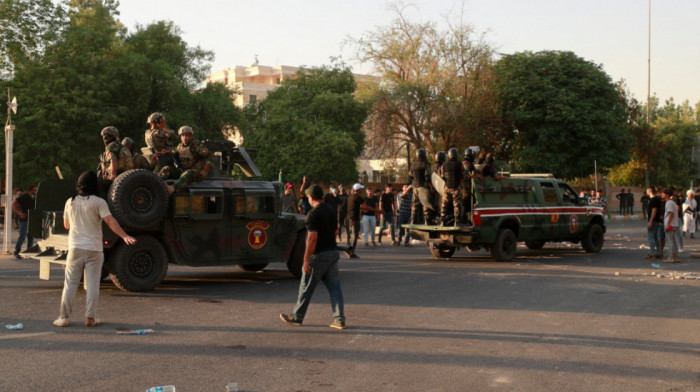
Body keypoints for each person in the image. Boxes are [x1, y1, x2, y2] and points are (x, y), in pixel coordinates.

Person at [53, 171, 137, 327]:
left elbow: (67, 225)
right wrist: (124, 236)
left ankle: (63, 317)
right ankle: (90, 318)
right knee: (92, 285)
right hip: (94, 249)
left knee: (70, 284)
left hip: (75, 248)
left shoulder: (69, 202)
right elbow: (110, 221)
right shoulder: (99, 202)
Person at [280, 184, 345, 329]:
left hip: (318, 255)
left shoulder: (313, 214)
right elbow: (335, 232)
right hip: (332, 253)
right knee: (335, 288)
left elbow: (311, 238)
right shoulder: (331, 210)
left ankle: (297, 317)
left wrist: (305, 259)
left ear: (310, 197)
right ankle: (339, 319)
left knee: (305, 287)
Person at [165, 126, 212, 195]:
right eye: (183, 135)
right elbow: (174, 151)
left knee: (189, 172)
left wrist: (205, 170)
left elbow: (210, 156)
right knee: (167, 169)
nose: (184, 137)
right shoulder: (180, 146)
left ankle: (172, 188)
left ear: (191, 136)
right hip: (183, 170)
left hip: (197, 172)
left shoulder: (196, 146)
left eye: (187, 135)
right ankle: (157, 183)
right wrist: (165, 151)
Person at [144, 112, 179, 180]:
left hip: (154, 158)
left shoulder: (147, 132)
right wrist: (164, 127)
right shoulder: (160, 133)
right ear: (159, 122)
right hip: (163, 159)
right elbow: (175, 137)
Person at [12, 185, 37, 259]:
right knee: (22, 235)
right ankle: (16, 252)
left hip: (31, 219)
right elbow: (14, 203)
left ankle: (29, 252)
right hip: (23, 220)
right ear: (31, 190)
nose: (36, 192)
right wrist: (20, 213)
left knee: (31, 236)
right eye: (35, 190)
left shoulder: (34, 197)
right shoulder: (24, 196)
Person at [441, 148, 463, 226]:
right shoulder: (459, 163)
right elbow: (462, 174)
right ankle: (456, 222)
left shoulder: (444, 164)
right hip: (456, 188)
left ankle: (442, 222)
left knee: (444, 205)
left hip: (446, 188)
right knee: (457, 205)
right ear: (456, 155)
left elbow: (442, 176)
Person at [410, 148, 433, 224]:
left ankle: (413, 221)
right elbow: (427, 176)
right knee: (425, 204)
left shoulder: (413, 165)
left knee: (414, 205)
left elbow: (411, 176)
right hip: (423, 187)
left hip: (415, 187)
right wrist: (431, 187)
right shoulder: (425, 164)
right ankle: (427, 221)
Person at [345, 183, 364, 258]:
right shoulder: (357, 197)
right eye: (360, 189)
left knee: (353, 235)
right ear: (358, 190)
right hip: (354, 218)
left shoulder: (350, 196)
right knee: (355, 236)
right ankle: (350, 251)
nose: (361, 190)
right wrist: (377, 210)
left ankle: (350, 251)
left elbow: (358, 207)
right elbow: (364, 205)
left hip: (350, 217)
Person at [661, 188, 680, 263]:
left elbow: (671, 213)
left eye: (663, 193)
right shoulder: (672, 202)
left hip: (670, 225)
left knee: (670, 241)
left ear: (667, 195)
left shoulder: (669, 203)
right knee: (674, 241)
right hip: (674, 224)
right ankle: (676, 257)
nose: (661, 194)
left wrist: (668, 223)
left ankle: (671, 257)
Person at [645, 187, 663, 259]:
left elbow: (654, 211)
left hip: (654, 221)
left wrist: (650, 221)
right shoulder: (658, 199)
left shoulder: (653, 200)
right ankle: (658, 252)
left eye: (647, 190)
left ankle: (652, 253)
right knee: (655, 237)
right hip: (657, 220)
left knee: (651, 237)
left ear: (649, 191)